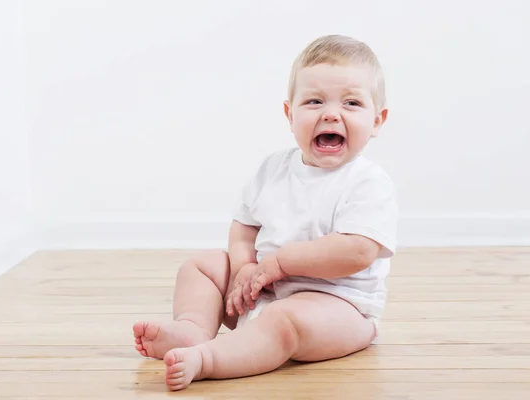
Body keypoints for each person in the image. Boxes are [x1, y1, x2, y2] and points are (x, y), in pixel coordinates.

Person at [133, 34, 398, 391]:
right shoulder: (272, 170)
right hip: (262, 290)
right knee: (203, 265)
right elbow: (245, 226)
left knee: (284, 321)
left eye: (351, 103)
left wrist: (281, 263)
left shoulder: (367, 182)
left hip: (336, 307)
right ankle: (193, 328)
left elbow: (357, 251)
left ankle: (210, 358)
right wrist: (243, 268)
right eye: (314, 101)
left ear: (377, 120)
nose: (331, 113)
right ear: (290, 114)